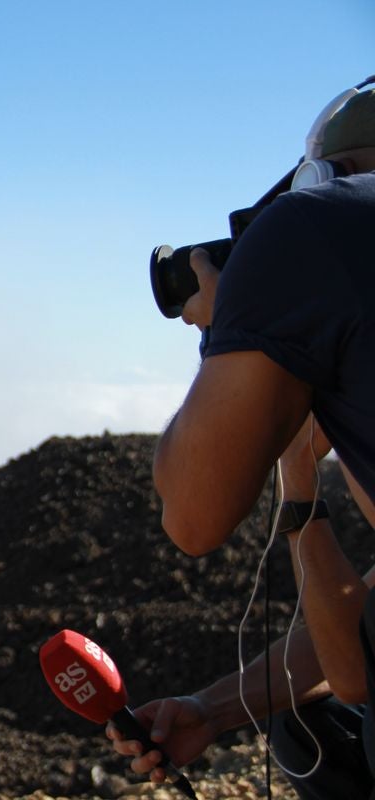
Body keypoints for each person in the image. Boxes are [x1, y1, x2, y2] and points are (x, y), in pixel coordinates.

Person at [106, 79, 375, 797]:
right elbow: (350, 639)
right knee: (305, 724)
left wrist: (239, 332)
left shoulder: (320, 222)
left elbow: (191, 519)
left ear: (321, 177)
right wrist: (208, 712)